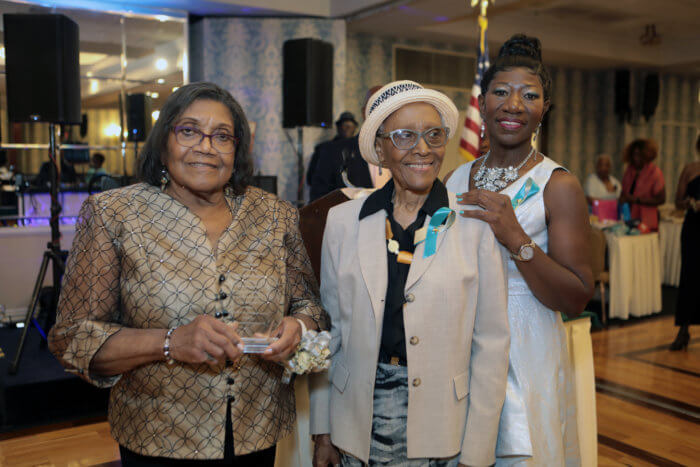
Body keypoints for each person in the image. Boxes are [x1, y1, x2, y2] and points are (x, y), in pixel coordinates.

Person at [48, 82, 329, 466]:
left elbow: (309, 303)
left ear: (238, 150)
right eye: (189, 131)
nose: (206, 146)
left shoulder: (275, 215)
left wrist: (299, 326)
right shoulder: (113, 215)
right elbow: (73, 338)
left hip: (257, 429)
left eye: (222, 136)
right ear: (164, 142)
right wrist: (170, 342)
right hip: (158, 436)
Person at [310, 80, 510, 466]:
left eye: (433, 135)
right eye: (404, 136)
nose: (422, 149)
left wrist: (479, 451)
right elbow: (327, 332)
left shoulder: (476, 225)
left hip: (444, 426)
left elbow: (492, 347)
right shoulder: (341, 221)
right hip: (355, 421)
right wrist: (322, 430)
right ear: (381, 149)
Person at [445, 34, 593, 465]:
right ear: (483, 102)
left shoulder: (558, 185)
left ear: (544, 109)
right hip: (460, 340)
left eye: (530, 95)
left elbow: (577, 294)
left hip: (525, 345)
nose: (513, 105)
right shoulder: (455, 179)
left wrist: (516, 239)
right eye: (501, 92)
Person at [309, 88, 392, 201]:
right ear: (364, 112)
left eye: (389, 108)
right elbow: (318, 204)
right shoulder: (333, 152)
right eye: (377, 107)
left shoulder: (406, 152)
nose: (383, 114)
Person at [670, 134, 700, 350]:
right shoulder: (690, 169)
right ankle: (683, 330)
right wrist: (689, 203)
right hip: (693, 230)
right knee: (689, 277)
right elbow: (677, 202)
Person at [620, 138, 665, 231]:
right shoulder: (629, 171)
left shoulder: (655, 172)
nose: (636, 158)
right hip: (629, 218)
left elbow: (661, 199)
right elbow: (624, 192)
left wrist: (636, 200)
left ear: (647, 155)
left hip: (647, 220)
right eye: (634, 154)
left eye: (639, 155)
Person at [306, 111, 359, 191]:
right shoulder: (324, 148)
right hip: (331, 196)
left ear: (354, 128)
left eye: (350, 126)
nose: (347, 128)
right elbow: (311, 179)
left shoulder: (361, 150)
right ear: (338, 127)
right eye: (344, 125)